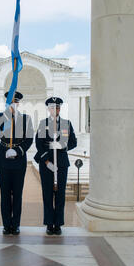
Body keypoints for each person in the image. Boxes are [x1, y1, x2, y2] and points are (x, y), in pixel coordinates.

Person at [0, 91, 33, 235]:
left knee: (17, 194)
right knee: (5, 194)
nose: (13, 104)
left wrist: (18, 151)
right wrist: (7, 115)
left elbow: (29, 139)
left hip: (18, 159)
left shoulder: (26, 119)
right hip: (3, 159)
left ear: (19, 103)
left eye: (15, 102)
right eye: (11, 102)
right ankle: (6, 224)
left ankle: (15, 224)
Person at [34, 97, 77, 235]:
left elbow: (73, 142)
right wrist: (47, 162)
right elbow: (39, 145)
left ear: (60, 108)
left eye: (57, 107)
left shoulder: (66, 123)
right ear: (48, 109)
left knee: (60, 194)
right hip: (46, 164)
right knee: (47, 194)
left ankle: (58, 224)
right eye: (52, 107)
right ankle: (49, 223)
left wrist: (61, 145)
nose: (55, 110)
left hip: (62, 163)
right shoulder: (43, 124)